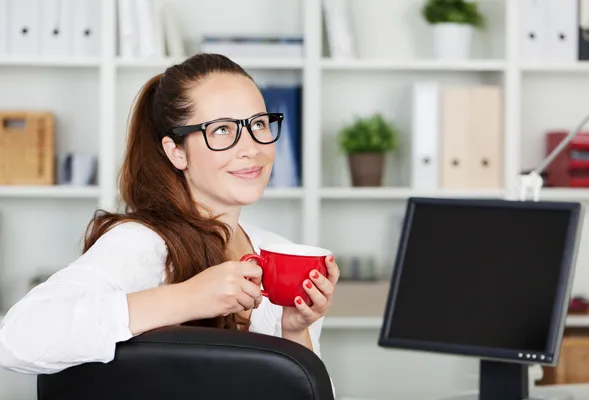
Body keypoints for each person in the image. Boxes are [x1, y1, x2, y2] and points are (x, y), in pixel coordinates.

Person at [0, 53, 340, 375]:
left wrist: (294, 333)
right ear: (176, 152)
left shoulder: (280, 252)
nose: (251, 148)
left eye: (260, 124)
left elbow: (304, 390)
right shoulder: (143, 244)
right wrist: (188, 297)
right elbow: (17, 339)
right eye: (222, 129)